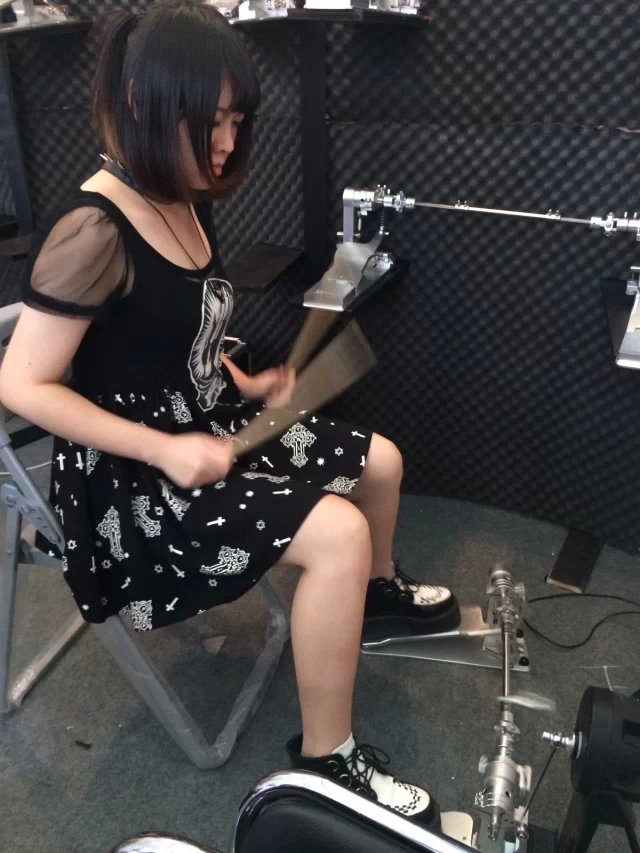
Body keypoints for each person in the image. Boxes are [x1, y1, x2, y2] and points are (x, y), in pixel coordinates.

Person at [0, 0, 460, 829]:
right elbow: (21, 385)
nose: (225, 142)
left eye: (237, 121)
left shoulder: (180, 194)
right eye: (208, 121)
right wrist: (162, 448)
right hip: (136, 483)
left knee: (383, 462)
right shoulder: (91, 230)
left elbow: (175, 330)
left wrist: (242, 380)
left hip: (206, 422)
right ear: (144, 101)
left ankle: (374, 597)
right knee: (337, 533)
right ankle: (327, 760)